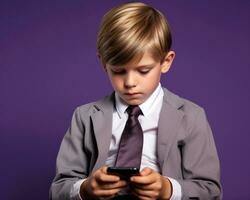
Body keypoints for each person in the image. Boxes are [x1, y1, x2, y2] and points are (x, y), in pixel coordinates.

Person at [50, 2, 222, 200]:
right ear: (103, 63)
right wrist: (85, 189)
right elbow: (58, 189)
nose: (130, 83)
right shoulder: (85, 116)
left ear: (166, 62)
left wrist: (168, 189)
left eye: (143, 70)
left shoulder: (191, 116)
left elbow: (210, 190)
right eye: (118, 71)